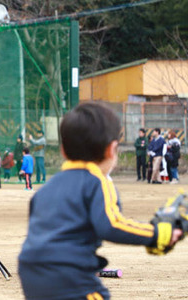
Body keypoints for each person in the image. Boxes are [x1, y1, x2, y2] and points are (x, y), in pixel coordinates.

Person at [18, 102, 183, 299]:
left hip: (31, 274)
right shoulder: (97, 182)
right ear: (111, 149)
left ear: (63, 151)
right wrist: (157, 233)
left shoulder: (45, 190)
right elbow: (111, 225)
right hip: (69, 276)